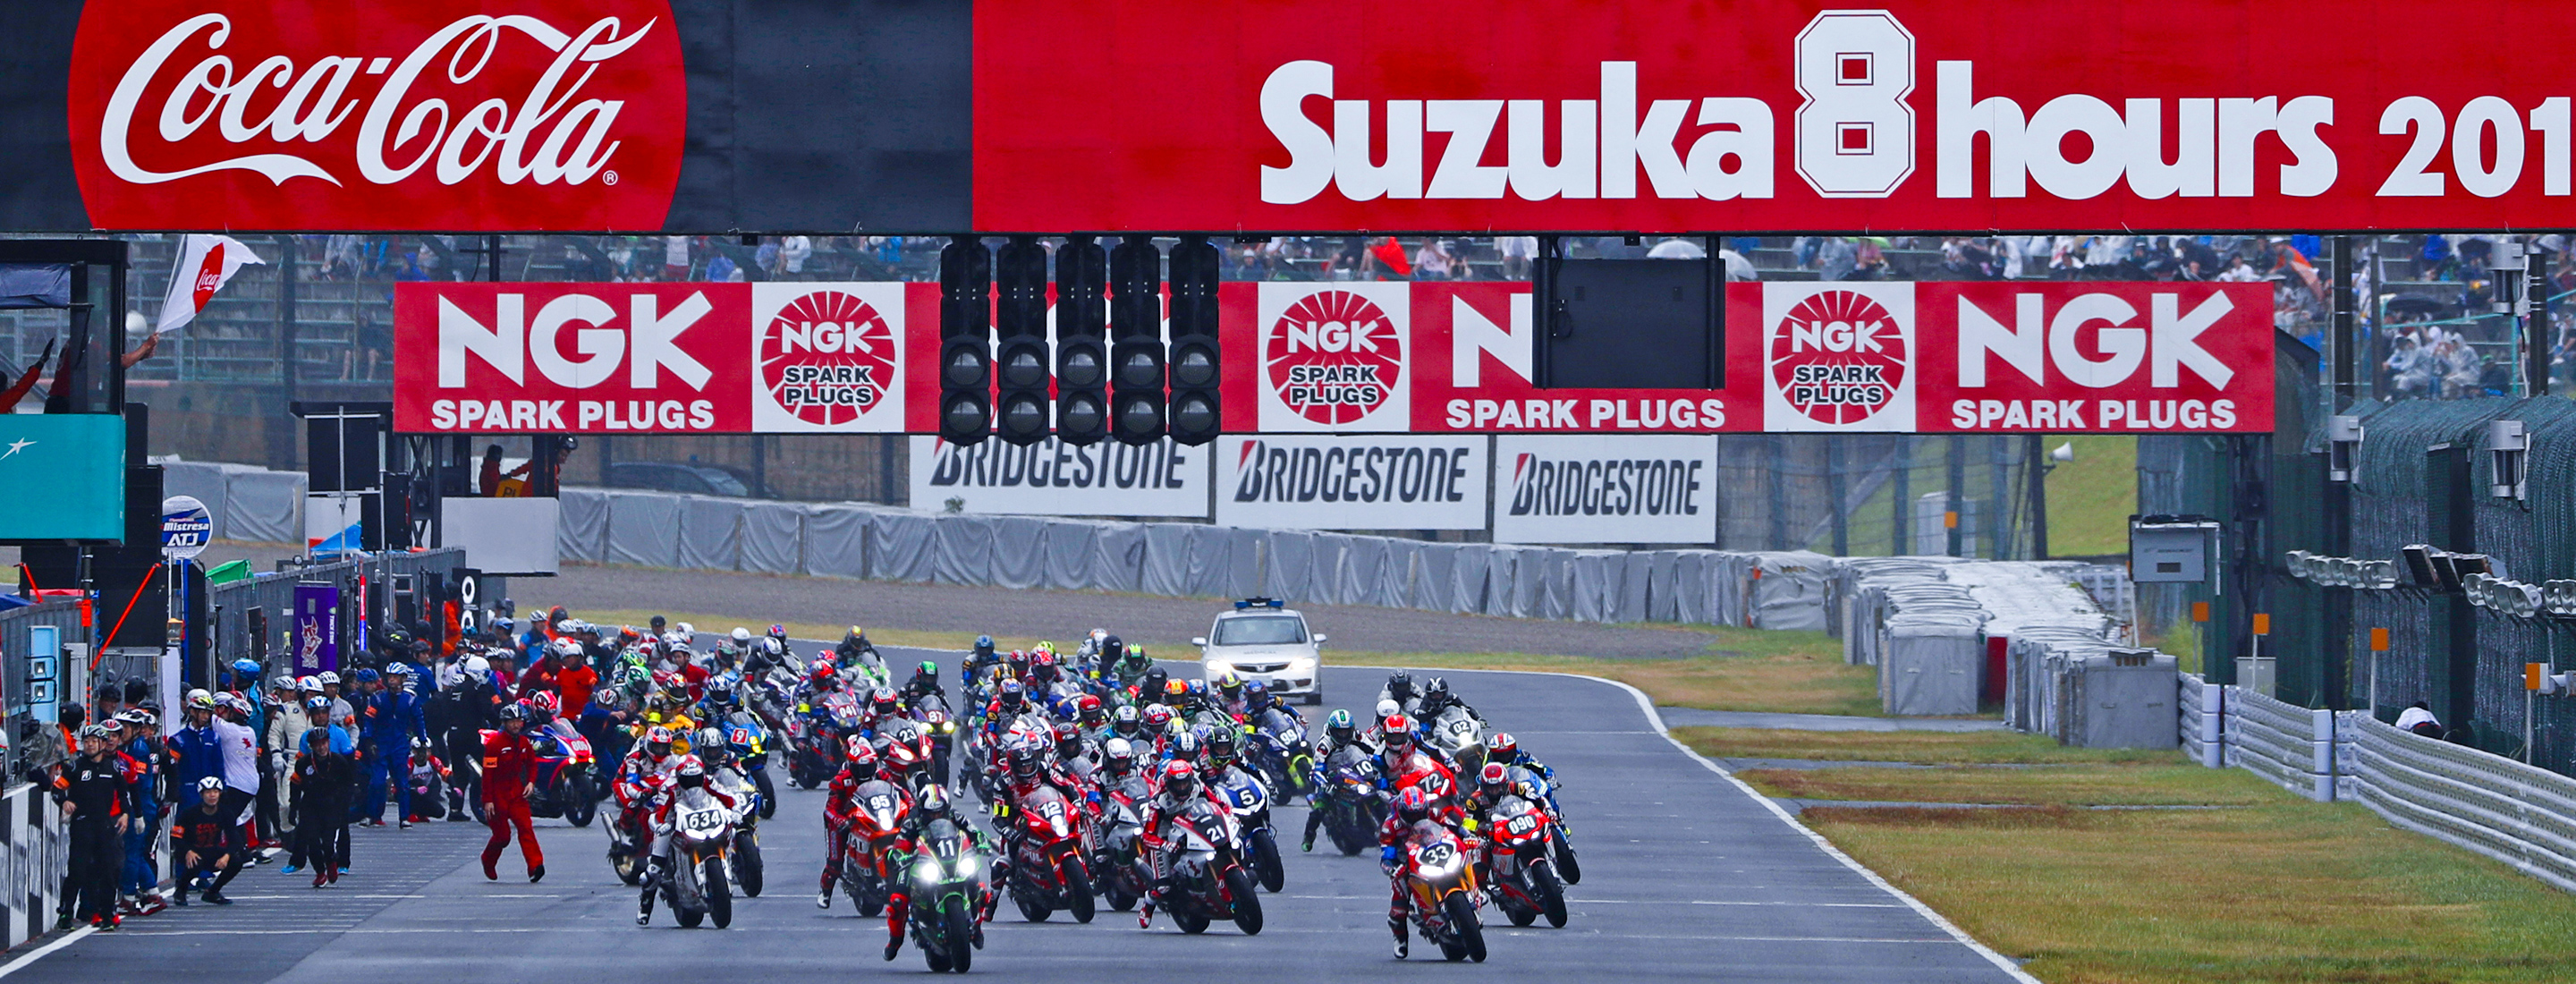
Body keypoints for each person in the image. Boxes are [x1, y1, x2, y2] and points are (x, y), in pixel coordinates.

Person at [879, 785, 996, 959]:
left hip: (950, 860)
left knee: (980, 888)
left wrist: (981, 842)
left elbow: (974, 831)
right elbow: (900, 844)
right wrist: (899, 856)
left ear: (946, 809)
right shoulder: (913, 821)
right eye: (931, 813)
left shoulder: (954, 815)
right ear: (922, 810)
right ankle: (895, 941)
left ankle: (977, 925)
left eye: (939, 813)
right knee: (898, 900)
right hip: (919, 862)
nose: (936, 816)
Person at [637, 756, 737, 925]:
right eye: (688, 779)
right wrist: (660, 826)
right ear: (679, 777)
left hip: (700, 817)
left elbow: (727, 796)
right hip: (672, 821)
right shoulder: (668, 787)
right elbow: (658, 814)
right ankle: (645, 905)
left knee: (731, 830)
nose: (693, 782)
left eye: (696, 779)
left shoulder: (708, 781)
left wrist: (735, 810)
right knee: (654, 869)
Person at [1378, 786, 1468, 959]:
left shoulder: (1433, 812)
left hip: (1433, 849)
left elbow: (1453, 826)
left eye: (1418, 814)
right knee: (1399, 904)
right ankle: (1400, 939)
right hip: (1406, 858)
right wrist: (1392, 868)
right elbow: (1387, 856)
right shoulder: (1390, 826)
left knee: (1464, 856)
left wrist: (1467, 834)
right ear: (1401, 810)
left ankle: (1475, 890)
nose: (1415, 818)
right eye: (1411, 815)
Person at [58, 725, 131, 930]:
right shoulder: (75, 767)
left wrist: (125, 814)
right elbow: (57, 789)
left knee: (108, 871)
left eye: (93, 741)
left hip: (105, 825)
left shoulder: (112, 767)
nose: (89, 745)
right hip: (82, 824)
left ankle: (108, 914)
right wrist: (64, 802)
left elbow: (124, 792)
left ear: (102, 743)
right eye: (86, 741)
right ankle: (65, 913)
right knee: (78, 870)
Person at [479, 703, 546, 883]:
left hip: (516, 793)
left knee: (526, 828)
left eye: (519, 721)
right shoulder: (494, 745)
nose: (516, 725)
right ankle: (488, 860)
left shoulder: (525, 743)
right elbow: (488, 775)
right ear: (504, 723)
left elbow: (532, 764)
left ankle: (535, 866)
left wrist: (531, 782)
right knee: (503, 836)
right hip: (497, 794)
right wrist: (488, 800)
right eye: (512, 722)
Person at [290, 723, 353, 886]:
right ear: (311, 747)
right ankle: (319, 872)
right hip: (310, 806)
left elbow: (348, 785)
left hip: (332, 806)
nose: (321, 748)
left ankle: (332, 861)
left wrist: (344, 805)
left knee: (328, 842)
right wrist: (293, 808)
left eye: (324, 743)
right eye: (317, 745)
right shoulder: (303, 763)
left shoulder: (339, 762)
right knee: (312, 842)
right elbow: (295, 785)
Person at [364, 664, 428, 827]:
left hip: (400, 745)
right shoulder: (378, 698)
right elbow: (369, 719)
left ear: (403, 679)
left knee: (402, 783)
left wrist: (422, 741)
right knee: (377, 782)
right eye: (389, 676)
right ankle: (373, 815)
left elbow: (418, 719)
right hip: (381, 744)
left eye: (395, 677)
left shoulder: (411, 699)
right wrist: (369, 739)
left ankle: (404, 817)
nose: (391, 680)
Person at [171, 777, 244, 905]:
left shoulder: (226, 813)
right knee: (195, 861)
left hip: (211, 850)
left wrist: (226, 856)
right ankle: (181, 891)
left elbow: (235, 839)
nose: (212, 796)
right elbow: (176, 836)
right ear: (201, 795)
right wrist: (188, 851)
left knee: (236, 861)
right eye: (208, 792)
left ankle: (212, 892)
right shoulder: (189, 813)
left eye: (215, 792)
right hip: (190, 850)